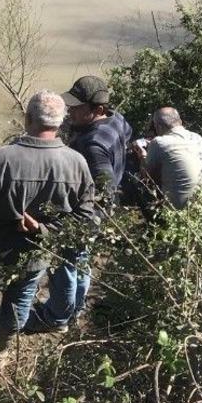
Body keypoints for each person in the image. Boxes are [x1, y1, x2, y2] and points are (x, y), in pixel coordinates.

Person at [0, 90, 95, 372]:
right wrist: (44, 230)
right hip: (34, 255)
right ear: (61, 122)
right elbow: (85, 218)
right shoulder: (77, 163)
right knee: (18, 303)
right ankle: (0, 353)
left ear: (27, 119)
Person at [35, 75, 133, 331]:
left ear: (97, 110)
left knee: (64, 265)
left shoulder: (92, 144)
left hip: (83, 217)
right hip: (95, 217)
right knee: (81, 262)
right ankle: (74, 308)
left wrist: (80, 218)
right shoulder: (118, 120)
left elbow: (105, 188)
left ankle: (57, 318)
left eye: (77, 108)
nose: (71, 111)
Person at [139, 107, 202, 209]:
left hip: (179, 212)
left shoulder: (158, 142)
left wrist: (143, 156)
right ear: (180, 121)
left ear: (158, 127)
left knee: (135, 184)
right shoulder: (197, 137)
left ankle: (154, 221)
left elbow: (147, 178)